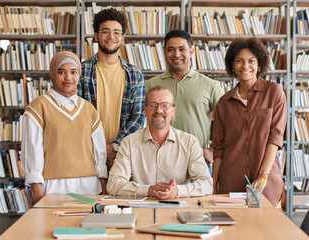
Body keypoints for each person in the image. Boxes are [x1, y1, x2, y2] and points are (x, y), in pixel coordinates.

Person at [21, 51, 107, 205]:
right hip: (52, 187)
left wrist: (103, 186)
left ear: (79, 74)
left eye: (73, 72)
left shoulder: (89, 109)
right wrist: (37, 188)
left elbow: (99, 152)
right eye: (61, 72)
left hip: (88, 187)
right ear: (53, 74)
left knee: (87, 227)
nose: (68, 78)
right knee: (52, 228)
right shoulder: (37, 107)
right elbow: (32, 150)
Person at [212, 37, 287, 207]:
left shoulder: (274, 92)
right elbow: (219, 148)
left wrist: (263, 175)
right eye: (239, 61)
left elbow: (275, 137)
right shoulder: (224, 102)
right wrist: (214, 184)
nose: (245, 66)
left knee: (267, 231)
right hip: (230, 182)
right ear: (232, 65)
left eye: (251, 61)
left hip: (267, 184)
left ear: (259, 64)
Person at [107, 86, 213, 199]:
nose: (159, 110)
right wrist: (148, 190)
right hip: (141, 211)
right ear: (145, 110)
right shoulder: (129, 142)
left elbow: (207, 184)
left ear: (173, 110)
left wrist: (178, 191)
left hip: (178, 208)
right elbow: (113, 184)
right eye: (153, 105)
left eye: (165, 105)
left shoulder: (189, 142)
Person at [145, 30, 224, 169]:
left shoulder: (211, 85)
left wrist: (213, 150)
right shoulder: (150, 85)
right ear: (164, 52)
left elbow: (227, 124)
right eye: (171, 50)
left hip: (198, 161)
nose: (176, 54)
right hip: (157, 161)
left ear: (192, 51)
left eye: (182, 49)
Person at [78, 8, 145, 170]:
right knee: (88, 196)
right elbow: (76, 115)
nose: (111, 37)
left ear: (122, 38)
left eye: (116, 33)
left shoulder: (135, 74)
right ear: (96, 36)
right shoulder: (80, 71)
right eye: (105, 32)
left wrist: (114, 147)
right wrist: (97, 148)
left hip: (123, 155)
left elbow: (138, 116)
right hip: (86, 153)